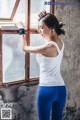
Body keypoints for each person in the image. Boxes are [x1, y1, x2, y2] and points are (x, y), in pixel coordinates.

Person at [16, 10, 66, 120]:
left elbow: (24, 48)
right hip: (61, 89)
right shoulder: (61, 44)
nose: (39, 31)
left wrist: (21, 29)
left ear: (52, 28)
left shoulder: (48, 47)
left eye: (42, 28)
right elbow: (49, 32)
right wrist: (44, 17)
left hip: (47, 90)